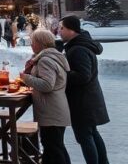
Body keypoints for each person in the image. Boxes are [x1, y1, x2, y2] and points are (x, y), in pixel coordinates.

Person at [59, 16, 110, 164]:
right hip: (88, 99)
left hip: (83, 102)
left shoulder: (79, 49)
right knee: (91, 133)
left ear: (71, 29)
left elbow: (83, 76)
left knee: (85, 137)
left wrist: (62, 73)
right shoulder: (78, 45)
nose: (59, 31)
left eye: (62, 28)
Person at [19, 29, 72, 164]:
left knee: (53, 148)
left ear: (41, 43)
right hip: (55, 109)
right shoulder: (52, 57)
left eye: (33, 42)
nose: (31, 45)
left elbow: (47, 85)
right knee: (55, 147)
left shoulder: (45, 60)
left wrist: (26, 78)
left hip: (51, 111)